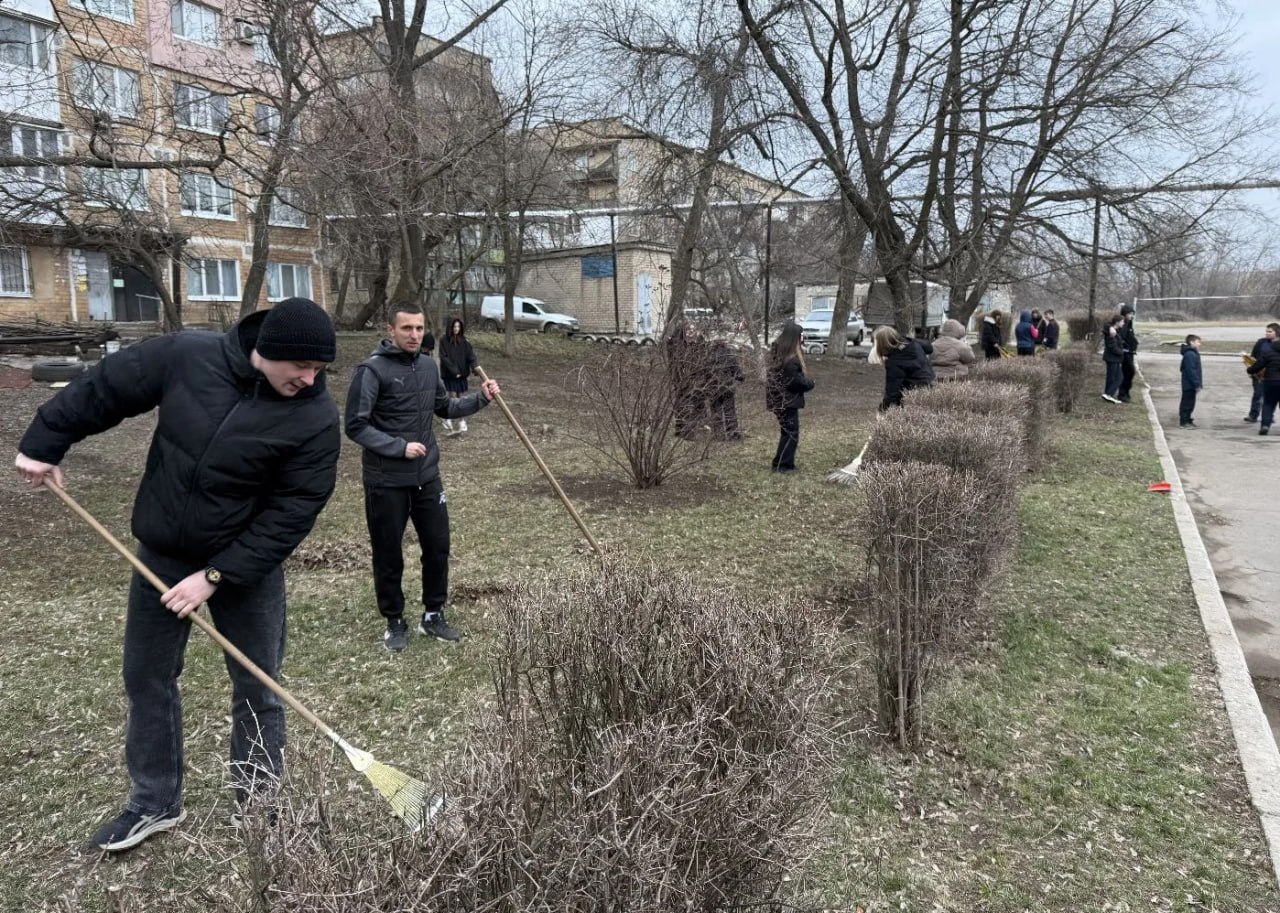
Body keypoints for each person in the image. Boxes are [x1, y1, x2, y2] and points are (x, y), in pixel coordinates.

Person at [13, 297, 340, 852]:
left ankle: (259, 806)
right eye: (301, 367)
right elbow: (107, 387)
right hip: (162, 553)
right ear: (267, 351)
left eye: (319, 369)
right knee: (147, 678)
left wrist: (215, 576)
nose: (310, 380)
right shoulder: (188, 356)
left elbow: (293, 512)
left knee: (257, 682)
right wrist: (45, 442)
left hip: (245, 568)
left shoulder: (315, 417)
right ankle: (153, 802)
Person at [345, 302, 499, 651]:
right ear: (390, 330)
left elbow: (445, 407)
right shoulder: (371, 371)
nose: (414, 335)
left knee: (437, 546)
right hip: (386, 481)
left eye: (418, 328)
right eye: (406, 328)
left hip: (427, 476)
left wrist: (481, 398)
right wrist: (399, 448)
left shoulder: (429, 366)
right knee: (388, 553)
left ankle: (433, 614)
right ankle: (394, 620)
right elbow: (355, 425)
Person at [765, 321, 814, 473]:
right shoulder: (791, 361)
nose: (802, 339)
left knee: (787, 433)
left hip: (779, 401)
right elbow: (796, 382)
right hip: (787, 402)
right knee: (790, 434)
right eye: (801, 336)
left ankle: (782, 463)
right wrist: (810, 383)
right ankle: (783, 465)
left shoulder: (777, 355)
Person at [875, 325, 935, 410]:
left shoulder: (894, 361)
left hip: (913, 395)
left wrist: (883, 409)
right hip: (930, 386)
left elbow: (892, 391)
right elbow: (929, 348)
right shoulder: (913, 343)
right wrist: (908, 339)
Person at [438, 317, 478, 435]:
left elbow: (471, 356)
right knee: (452, 397)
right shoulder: (444, 340)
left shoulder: (464, 341)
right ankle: (449, 418)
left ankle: (462, 420)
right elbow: (444, 357)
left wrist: (475, 368)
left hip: (462, 375)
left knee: (461, 398)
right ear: (450, 327)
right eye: (454, 326)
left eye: (458, 326)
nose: (456, 329)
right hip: (450, 375)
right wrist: (454, 371)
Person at [1247, 323, 1280, 435]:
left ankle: (1265, 425)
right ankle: (1254, 415)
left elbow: (1257, 365)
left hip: (1270, 381)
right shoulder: (1261, 343)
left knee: (1268, 404)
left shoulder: (1268, 353)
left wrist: (1250, 370)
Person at [707, 339, 744, 441]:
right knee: (730, 410)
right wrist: (739, 379)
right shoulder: (729, 355)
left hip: (713, 387)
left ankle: (718, 435)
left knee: (716, 410)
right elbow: (738, 373)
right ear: (724, 344)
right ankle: (733, 434)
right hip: (727, 386)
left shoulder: (708, 356)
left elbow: (704, 373)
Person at [1101, 313, 1126, 403]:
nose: (1123, 323)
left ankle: (1108, 395)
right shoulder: (1111, 332)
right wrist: (1121, 352)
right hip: (1112, 358)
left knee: (1112, 377)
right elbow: (1112, 346)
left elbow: (1107, 324)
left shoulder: (1114, 330)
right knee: (1119, 377)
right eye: (1122, 321)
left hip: (1113, 358)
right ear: (1117, 322)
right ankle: (1108, 394)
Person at [1179, 334, 1203, 428]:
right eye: (1198, 342)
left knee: (1190, 403)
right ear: (1191, 342)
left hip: (1191, 383)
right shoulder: (1190, 354)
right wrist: (1197, 384)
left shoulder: (1193, 353)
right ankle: (1184, 422)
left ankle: (1188, 419)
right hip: (1189, 383)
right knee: (1187, 403)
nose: (1199, 344)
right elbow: (1191, 371)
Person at [1117, 303, 1139, 402]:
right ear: (1125, 314)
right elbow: (1121, 337)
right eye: (1130, 314)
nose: (1131, 316)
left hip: (1130, 352)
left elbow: (1130, 336)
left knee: (1129, 373)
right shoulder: (1123, 324)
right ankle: (1122, 393)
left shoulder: (1129, 323)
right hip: (1125, 353)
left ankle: (1126, 393)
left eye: (1132, 314)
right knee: (1129, 371)